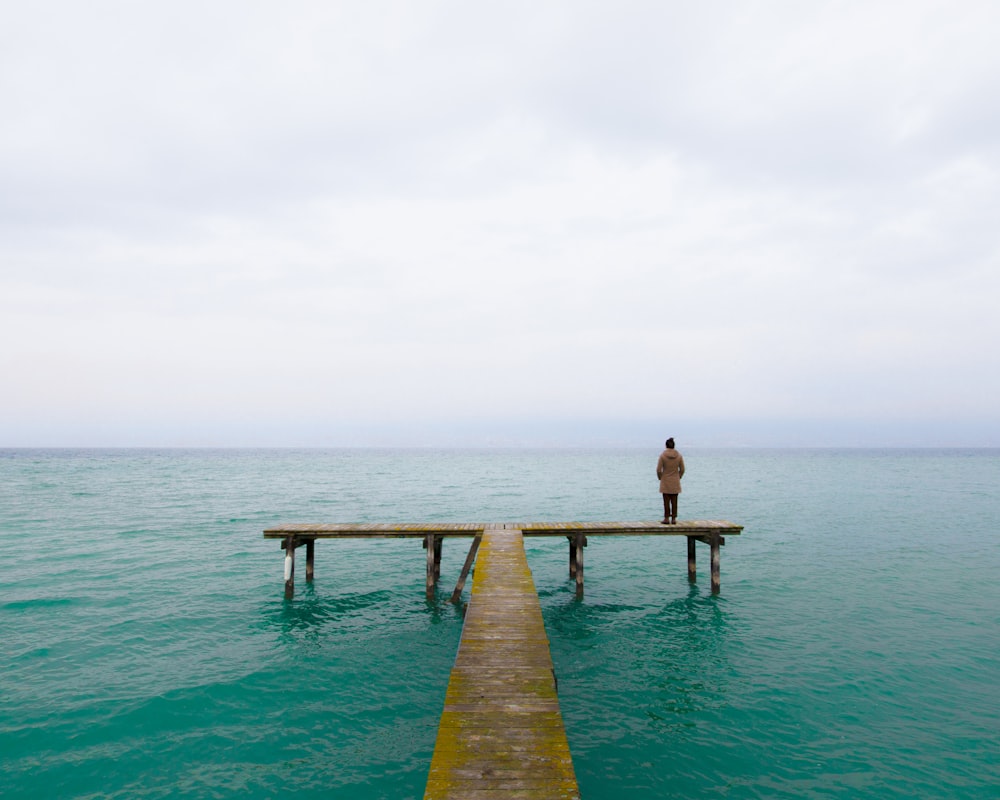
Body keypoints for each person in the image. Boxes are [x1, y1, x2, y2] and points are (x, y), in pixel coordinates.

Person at [656, 437, 685, 524]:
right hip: (675, 480)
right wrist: (678, 476)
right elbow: (683, 469)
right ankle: (674, 518)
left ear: (666, 446)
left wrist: (660, 477)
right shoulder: (679, 456)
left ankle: (666, 518)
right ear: (674, 446)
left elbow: (658, 470)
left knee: (666, 501)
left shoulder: (662, 456)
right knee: (674, 501)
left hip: (665, 480)